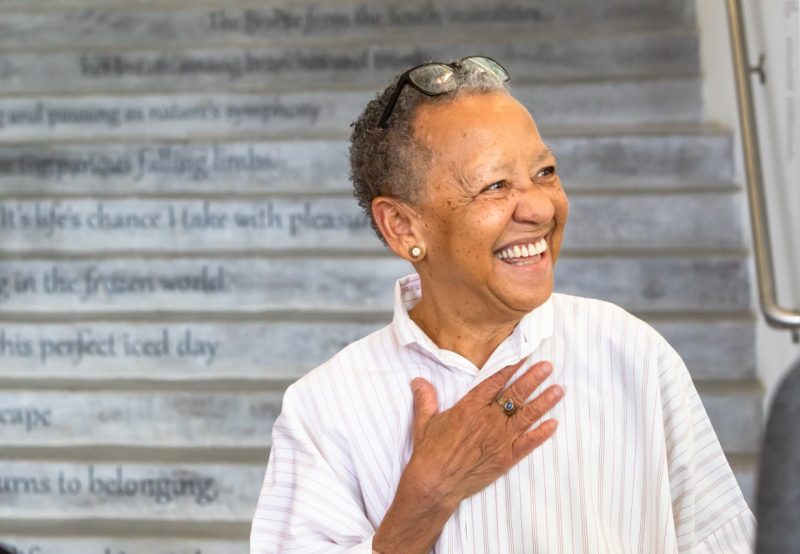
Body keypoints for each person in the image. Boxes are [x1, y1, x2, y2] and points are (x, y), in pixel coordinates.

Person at [250, 56, 755, 553]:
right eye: (495, 186)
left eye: (545, 172)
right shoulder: (325, 409)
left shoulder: (629, 351)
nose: (539, 208)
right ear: (403, 227)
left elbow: (723, 542)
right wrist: (422, 504)